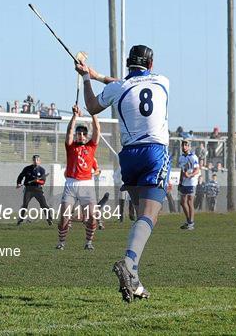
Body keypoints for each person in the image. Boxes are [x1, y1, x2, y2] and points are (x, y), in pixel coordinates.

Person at [76, 44, 170, 302]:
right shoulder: (162, 81)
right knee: (150, 216)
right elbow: (135, 84)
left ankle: (135, 279)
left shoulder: (118, 87)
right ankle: (129, 264)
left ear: (128, 63)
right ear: (150, 64)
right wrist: (96, 75)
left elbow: (93, 106)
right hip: (154, 152)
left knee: (143, 216)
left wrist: (87, 78)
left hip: (129, 156)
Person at [56, 104, 100, 251]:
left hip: (87, 185)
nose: (81, 135)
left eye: (83, 133)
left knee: (92, 216)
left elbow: (97, 130)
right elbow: (69, 131)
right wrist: (74, 116)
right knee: (64, 216)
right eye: (78, 133)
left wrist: (93, 113)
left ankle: (88, 243)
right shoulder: (71, 146)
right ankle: (61, 242)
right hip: (71, 184)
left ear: (86, 136)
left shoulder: (91, 146)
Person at [16, 155, 52, 226]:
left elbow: (43, 182)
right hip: (28, 189)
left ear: (39, 161)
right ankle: (20, 219)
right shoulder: (27, 169)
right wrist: (19, 183)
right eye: (34, 160)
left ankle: (49, 219)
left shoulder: (42, 170)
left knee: (44, 205)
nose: (36, 161)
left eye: (37, 160)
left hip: (38, 190)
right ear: (32, 161)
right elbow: (21, 176)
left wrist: (38, 180)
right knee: (25, 204)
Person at [178, 140, 200, 230]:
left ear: (189, 147)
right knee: (183, 202)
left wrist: (190, 175)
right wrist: (180, 181)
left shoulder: (193, 157)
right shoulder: (181, 158)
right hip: (184, 182)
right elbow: (182, 170)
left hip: (191, 181)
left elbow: (197, 170)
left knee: (190, 201)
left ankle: (191, 223)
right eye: (183, 145)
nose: (184, 147)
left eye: (186, 145)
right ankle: (189, 222)